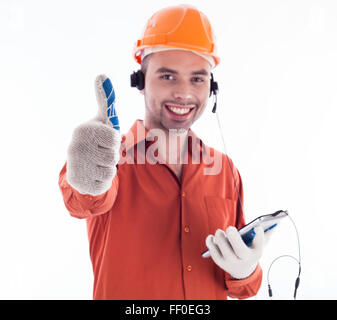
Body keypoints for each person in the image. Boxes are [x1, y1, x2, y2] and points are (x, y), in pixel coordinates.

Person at [59, 4, 267, 300]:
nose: (184, 92)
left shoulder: (224, 169)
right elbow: (81, 201)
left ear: (212, 87)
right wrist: (85, 177)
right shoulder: (107, 156)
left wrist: (246, 270)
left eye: (198, 78)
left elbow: (243, 288)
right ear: (141, 82)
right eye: (168, 76)